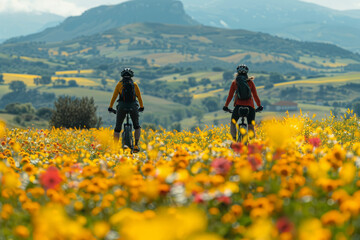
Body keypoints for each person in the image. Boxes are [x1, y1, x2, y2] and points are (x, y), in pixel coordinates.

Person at [223, 64, 263, 141]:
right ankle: (253, 144)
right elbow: (255, 95)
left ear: (237, 73)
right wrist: (259, 106)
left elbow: (230, 96)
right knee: (250, 126)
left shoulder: (235, 83)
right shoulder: (250, 82)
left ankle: (234, 141)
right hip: (250, 107)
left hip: (238, 107)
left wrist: (226, 106)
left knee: (233, 123)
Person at [108, 68, 144, 153]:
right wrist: (141, 107)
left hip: (122, 107)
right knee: (137, 126)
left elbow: (114, 97)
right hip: (133, 106)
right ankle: (136, 145)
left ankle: (115, 147)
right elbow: (139, 97)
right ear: (131, 76)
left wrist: (110, 107)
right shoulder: (134, 85)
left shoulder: (119, 84)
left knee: (117, 128)